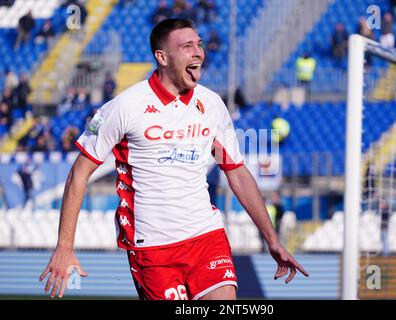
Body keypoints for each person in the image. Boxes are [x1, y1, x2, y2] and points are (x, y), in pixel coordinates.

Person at [39, 18, 308, 300]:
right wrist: (64, 247)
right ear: (162, 57)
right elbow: (78, 174)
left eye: (199, 45)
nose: (198, 52)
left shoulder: (212, 104)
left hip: (206, 237)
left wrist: (272, 239)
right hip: (153, 247)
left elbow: (236, 172)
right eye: (187, 46)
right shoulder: (125, 107)